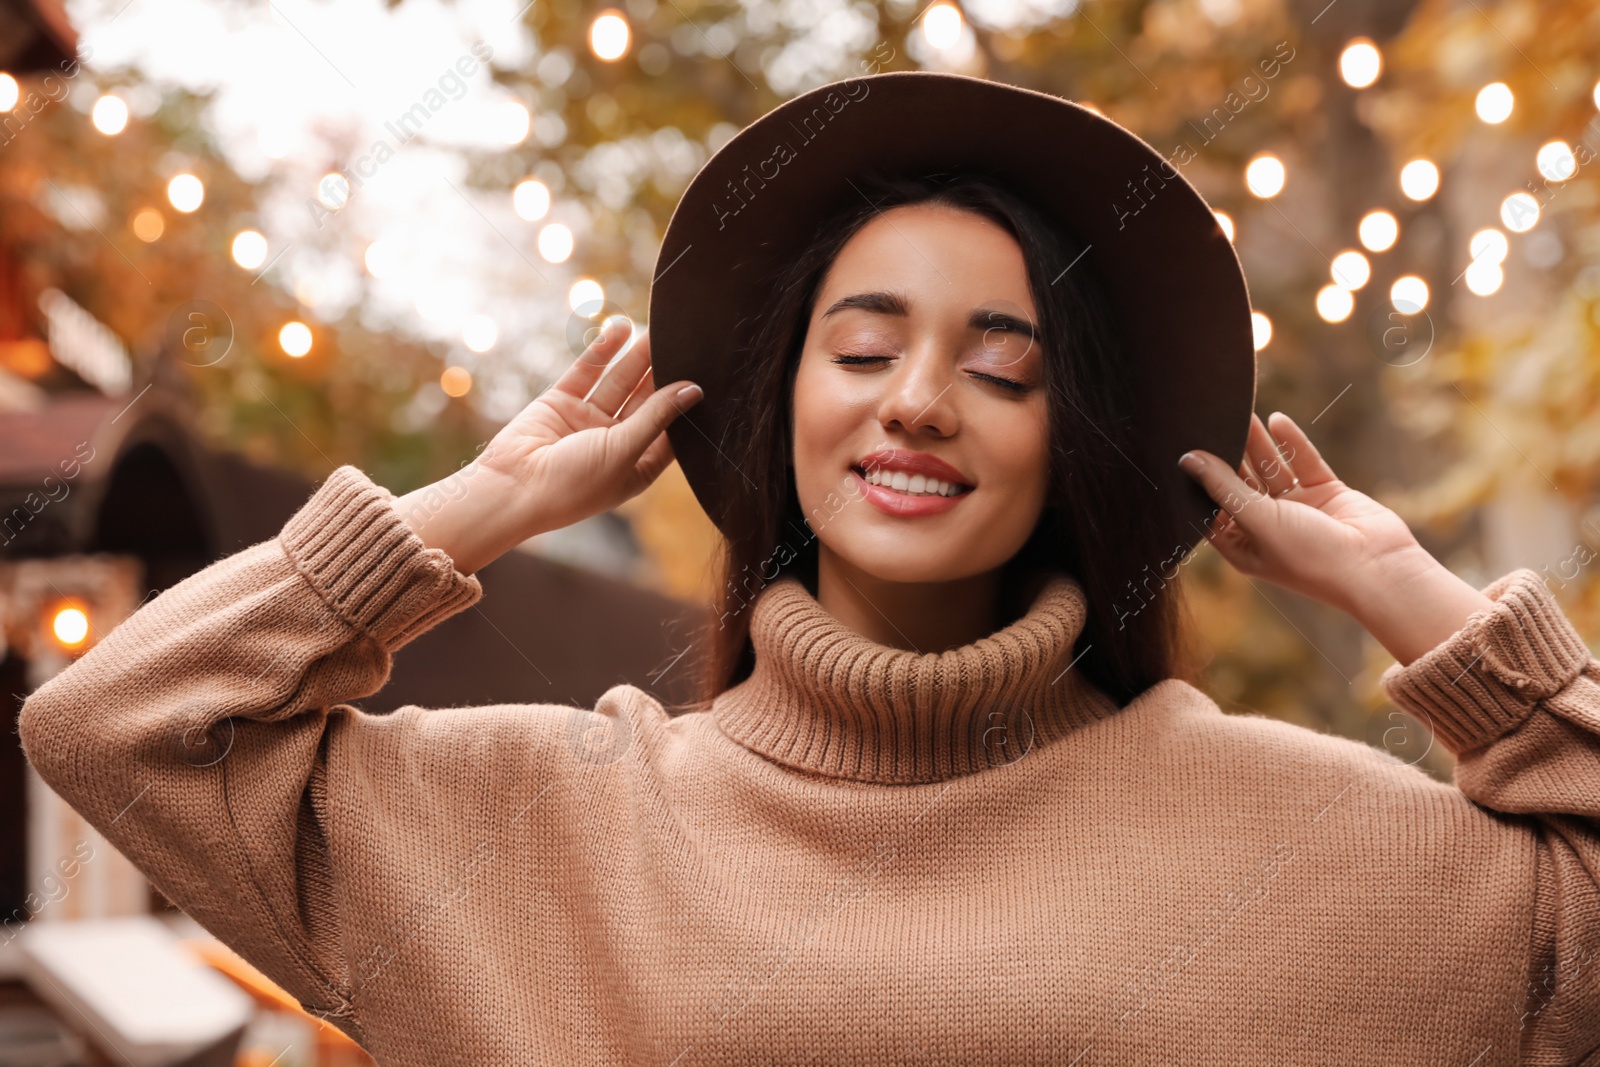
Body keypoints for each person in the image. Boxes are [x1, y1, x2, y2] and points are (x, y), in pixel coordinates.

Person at [17, 71, 1600, 1066]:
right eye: (864, 346)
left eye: (1003, 365)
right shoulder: (541, 832)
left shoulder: (1312, 842)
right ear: (786, 413)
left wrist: (1421, 601)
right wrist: (470, 512)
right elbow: (118, 725)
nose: (916, 396)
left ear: (1076, 442)